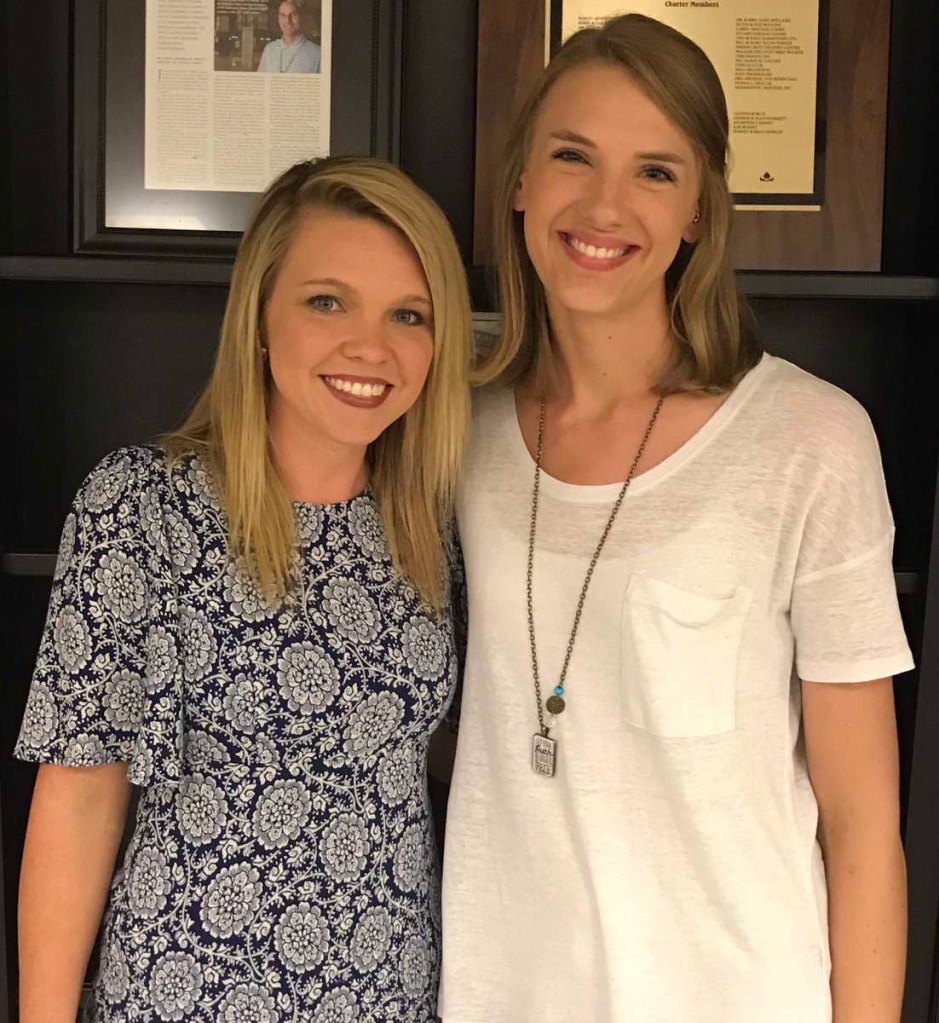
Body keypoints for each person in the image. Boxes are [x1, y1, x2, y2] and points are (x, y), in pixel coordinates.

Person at [439, 14, 911, 1022]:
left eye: (654, 171)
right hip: (505, 996)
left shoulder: (810, 441)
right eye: (572, 156)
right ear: (519, 179)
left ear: (698, 212)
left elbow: (863, 826)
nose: (603, 205)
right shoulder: (456, 430)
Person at [16, 155, 471, 1022]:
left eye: (407, 314)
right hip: (189, 989)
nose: (369, 346)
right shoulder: (142, 504)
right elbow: (79, 793)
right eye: (327, 301)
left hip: (390, 992)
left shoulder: (432, 524)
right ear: (259, 317)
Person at [257, 0, 321, 73]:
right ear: (278, 18)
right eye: (283, 15)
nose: (288, 21)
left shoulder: (317, 53)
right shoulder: (269, 49)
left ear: (301, 17)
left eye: (293, 15)